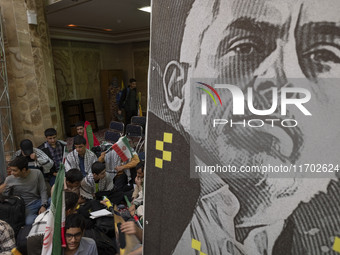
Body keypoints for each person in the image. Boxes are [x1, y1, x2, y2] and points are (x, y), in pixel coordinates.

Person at [147, 0, 340, 254]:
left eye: (323, 55)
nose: (288, 84)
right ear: (178, 87)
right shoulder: (157, 186)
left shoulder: (317, 237)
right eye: (246, 47)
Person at [27, 191, 79, 255]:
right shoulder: (60, 223)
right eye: (75, 209)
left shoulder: (45, 213)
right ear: (69, 211)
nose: (76, 211)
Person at [2, 156, 48, 225]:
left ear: (23, 170)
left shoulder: (37, 173)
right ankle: (41, 218)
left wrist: (43, 205)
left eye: (14, 170)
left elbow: (43, 190)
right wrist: (4, 190)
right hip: (27, 206)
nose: (11, 173)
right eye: (11, 170)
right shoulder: (9, 179)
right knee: (28, 222)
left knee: (57, 201)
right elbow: (6, 197)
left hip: (39, 201)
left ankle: (43, 215)